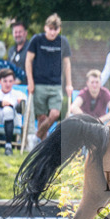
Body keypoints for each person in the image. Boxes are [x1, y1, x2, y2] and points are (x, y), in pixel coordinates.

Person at [24, 14, 72, 150]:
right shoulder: (37, 40)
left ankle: (35, 137)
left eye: (55, 29)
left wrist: (69, 83)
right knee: (42, 118)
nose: (52, 32)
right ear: (45, 28)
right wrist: (30, 81)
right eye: (50, 29)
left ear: (59, 30)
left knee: (55, 114)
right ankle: (41, 149)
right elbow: (28, 60)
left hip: (56, 84)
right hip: (39, 84)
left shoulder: (63, 42)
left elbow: (67, 64)